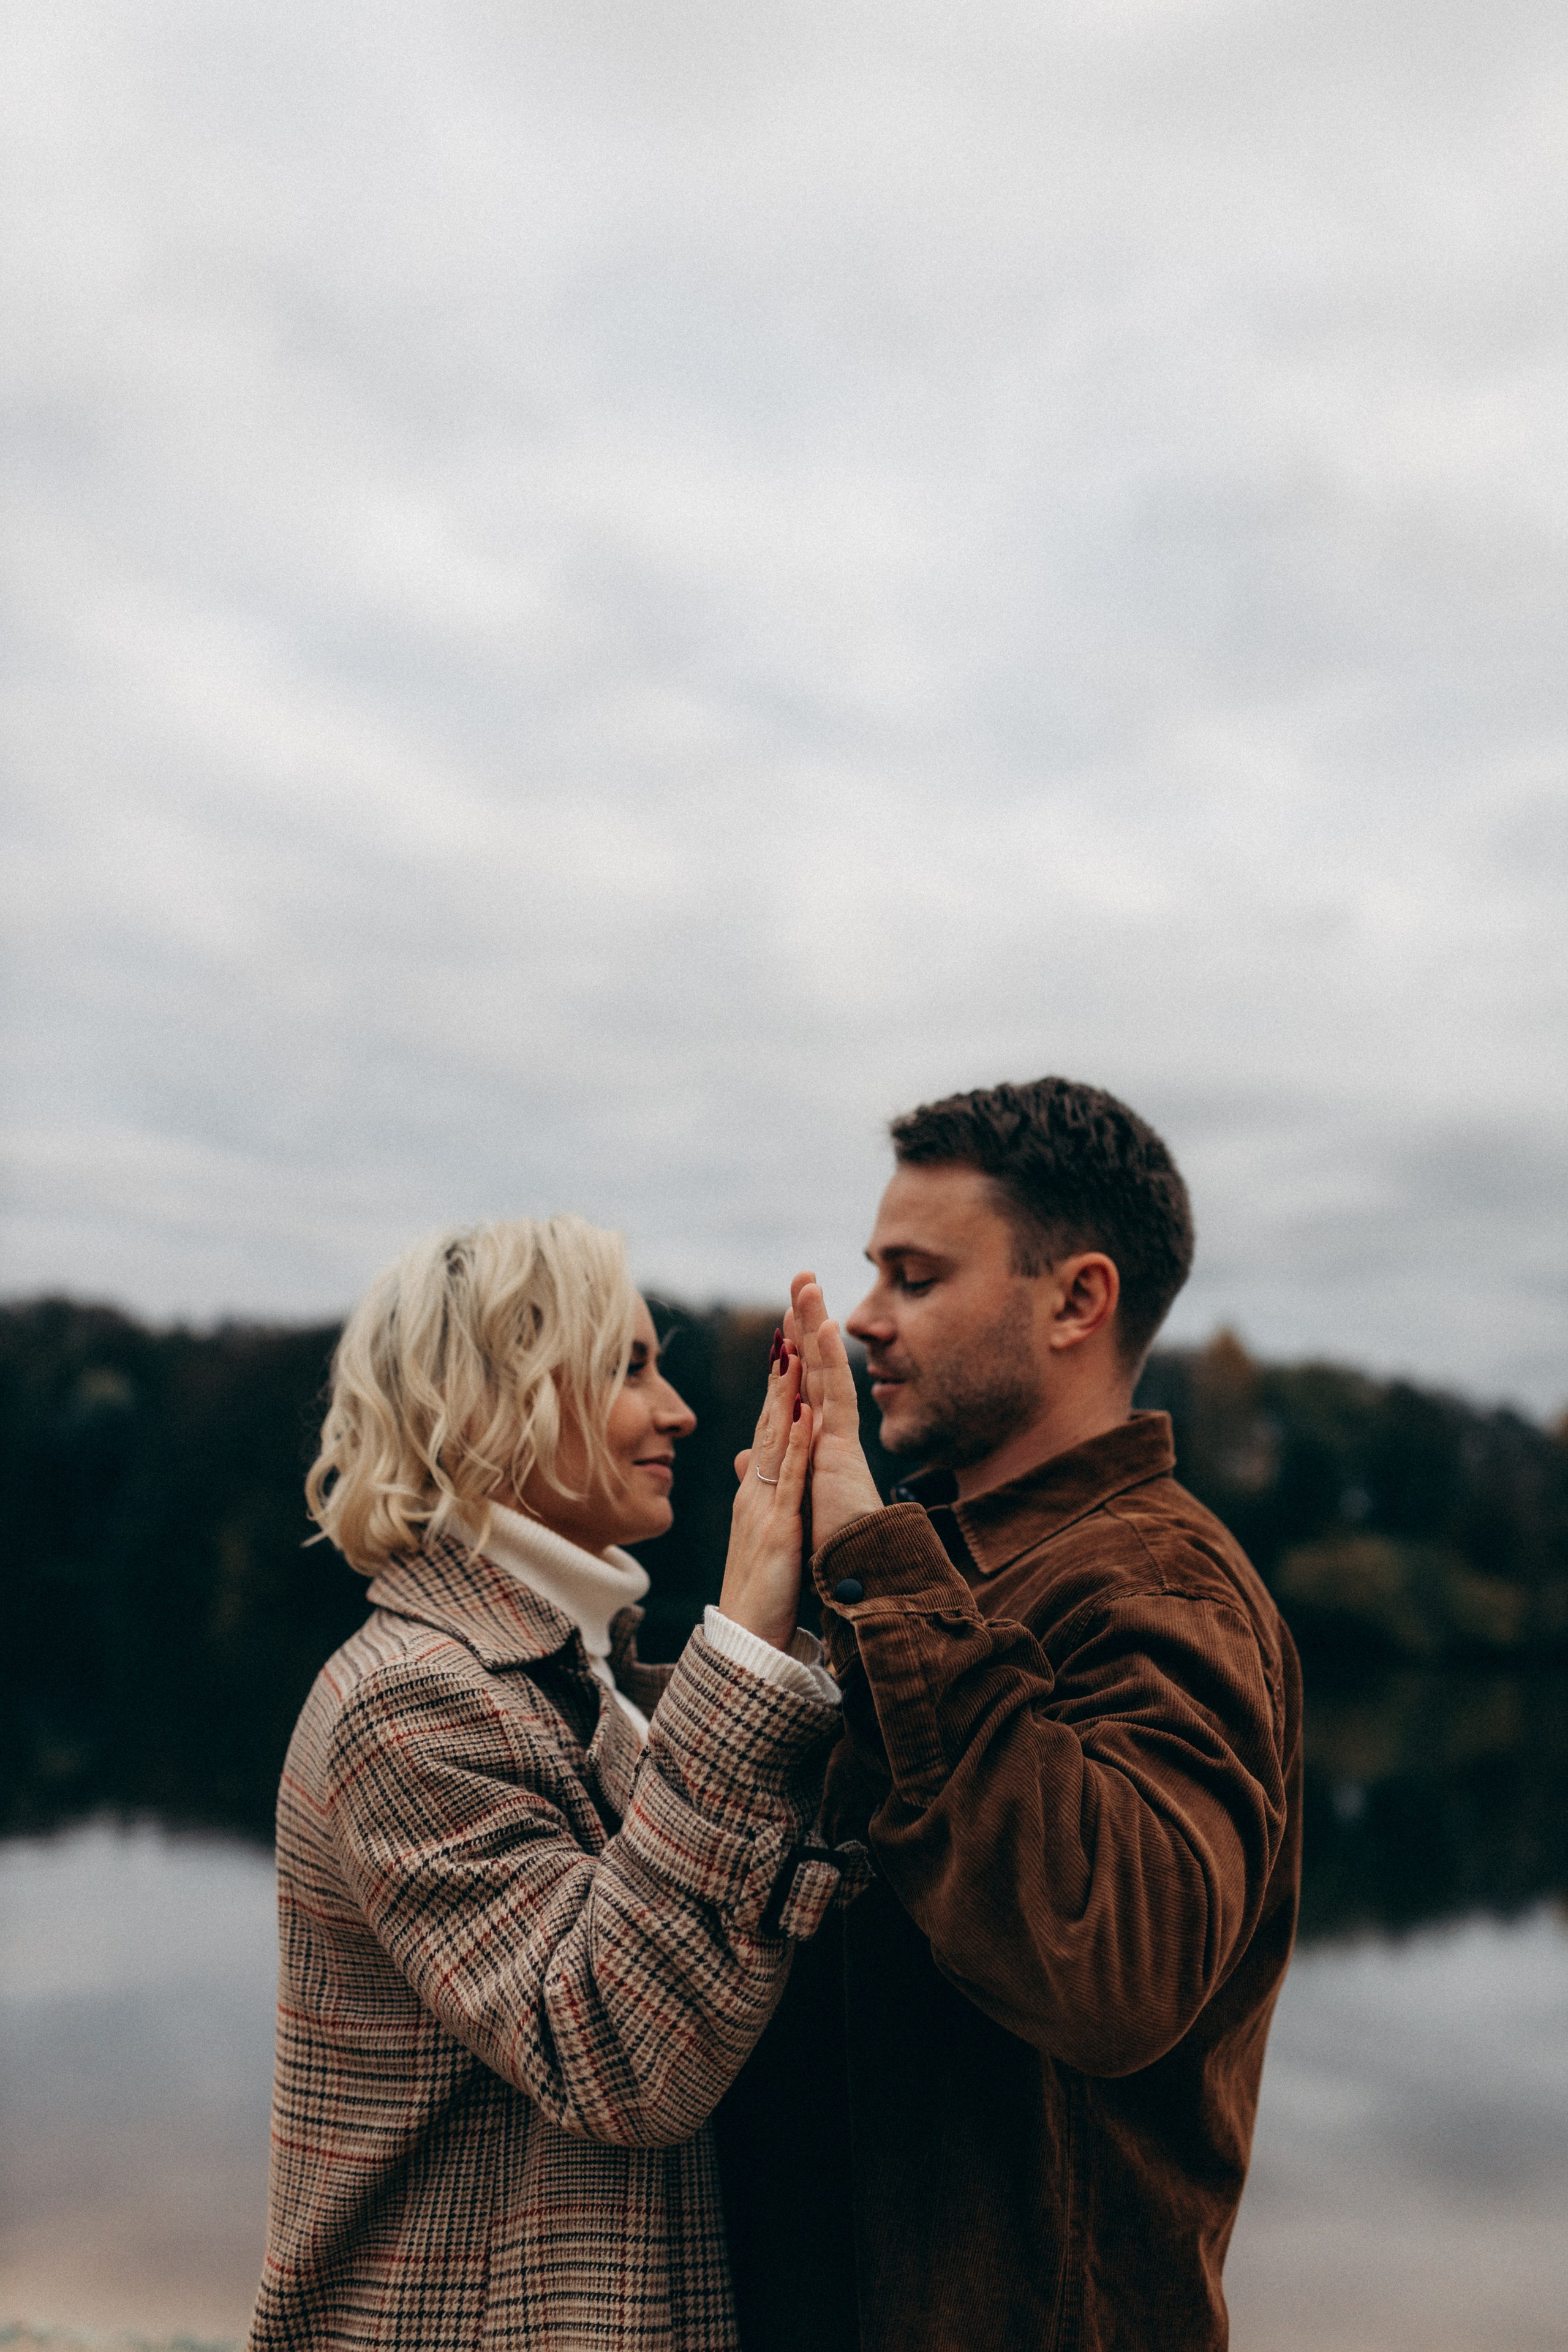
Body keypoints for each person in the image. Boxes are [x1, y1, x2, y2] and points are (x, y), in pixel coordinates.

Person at [717, 1078, 1303, 2352]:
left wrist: (881, 1567)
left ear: (1076, 1301)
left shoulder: (1158, 1583)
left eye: (915, 1278)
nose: (865, 1319)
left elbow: (1111, 1961)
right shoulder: (923, 1574)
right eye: (874, 1274)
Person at [247, 1215, 860, 2352]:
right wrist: (749, 1644)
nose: (677, 1408)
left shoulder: (578, 1676)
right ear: (490, 1408)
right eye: (629, 1367)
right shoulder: (410, 1702)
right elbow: (621, 2054)